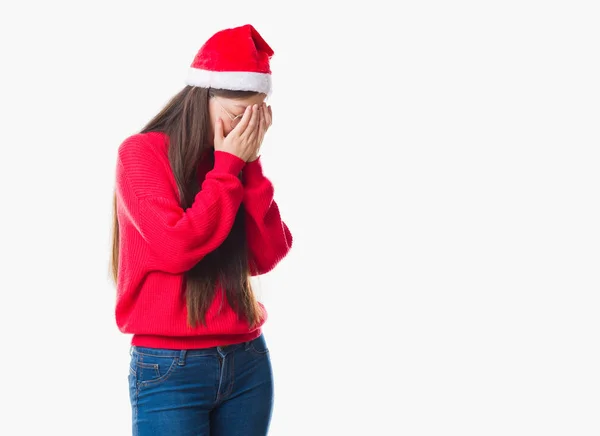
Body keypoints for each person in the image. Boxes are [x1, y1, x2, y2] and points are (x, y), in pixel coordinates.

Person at [109, 24, 292, 435]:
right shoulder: (141, 154)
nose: (245, 128)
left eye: (256, 116)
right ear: (202, 98)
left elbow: (267, 255)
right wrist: (229, 168)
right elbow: (177, 248)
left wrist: (250, 164)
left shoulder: (230, 160)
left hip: (247, 361)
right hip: (170, 369)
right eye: (236, 115)